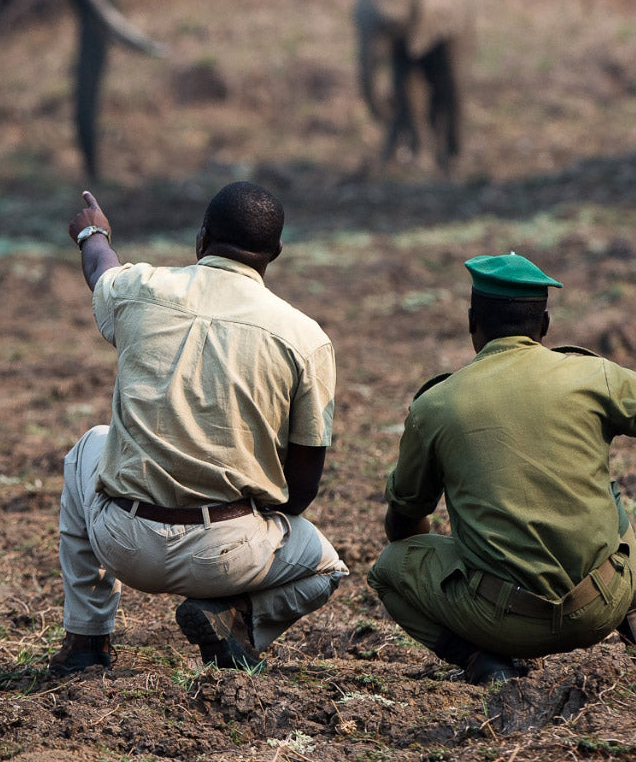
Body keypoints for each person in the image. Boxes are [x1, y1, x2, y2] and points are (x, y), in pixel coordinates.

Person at [51, 183, 348, 674]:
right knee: (327, 568)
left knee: (92, 444)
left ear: (201, 237)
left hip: (123, 541)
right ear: (275, 253)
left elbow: (100, 270)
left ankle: (87, 642)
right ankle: (238, 618)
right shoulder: (305, 339)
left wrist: (92, 233)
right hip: (227, 556)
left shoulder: (141, 290)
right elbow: (302, 488)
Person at [368, 253, 636, 685]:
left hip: (501, 620)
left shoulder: (435, 406)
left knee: (388, 569)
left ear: (472, 322)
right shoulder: (595, 376)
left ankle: (482, 662)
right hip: (603, 604)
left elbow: (403, 527)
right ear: (544, 326)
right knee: (612, 500)